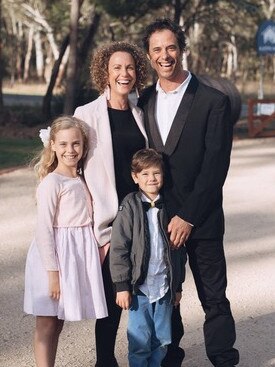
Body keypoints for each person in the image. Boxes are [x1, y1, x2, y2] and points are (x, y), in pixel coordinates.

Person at [138, 18, 239, 367]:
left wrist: (189, 217)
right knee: (167, 295)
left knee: (214, 297)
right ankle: (170, 356)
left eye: (170, 47)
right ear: (149, 56)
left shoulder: (213, 101)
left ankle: (224, 358)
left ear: (181, 49)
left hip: (202, 218)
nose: (164, 55)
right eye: (156, 49)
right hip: (160, 218)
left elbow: (215, 168)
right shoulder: (145, 99)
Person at [74, 41, 148, 367]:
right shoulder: (86, 115)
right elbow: (73, 166)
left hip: (141, 216)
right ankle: (104, 360)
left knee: (143, 290)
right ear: (105, 71)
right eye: (117, 67)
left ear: (137, 73)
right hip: (108, 218)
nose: (124, 73)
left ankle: (147, 354)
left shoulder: (140, 112)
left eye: (130, 67)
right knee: (110, 297)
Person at [24, 116, 108, 367]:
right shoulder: (52, 182)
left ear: (83, 146)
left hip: (73, 256)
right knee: (47, 322)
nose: (70, 150)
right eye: (63, 144)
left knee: (58, 321)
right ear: (52, 146)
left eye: (76, 144)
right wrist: (53, 274)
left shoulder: (82, 179)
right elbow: (44, 229)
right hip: (52, 259)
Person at [110, 148, 187, 367]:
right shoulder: (129, 206)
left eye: (156, 173)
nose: (151, 178)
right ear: (135, 177)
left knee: (162, 339)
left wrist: (177, 286)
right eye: (145, 174)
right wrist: (121, 285)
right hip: (139, 289)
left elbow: (179, 252)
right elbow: (119, 248)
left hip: (164, 286)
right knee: (139, 339)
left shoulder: (170, 206)